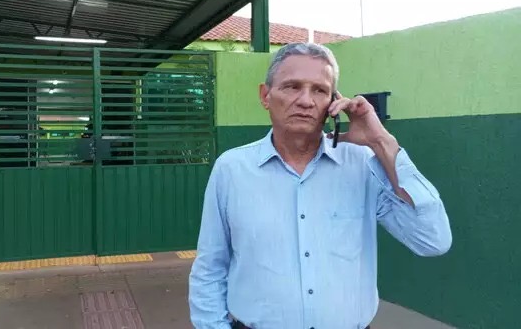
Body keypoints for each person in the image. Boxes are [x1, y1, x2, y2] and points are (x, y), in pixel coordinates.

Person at [188, 42, 452, 329]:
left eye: (319, 90)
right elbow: (210, 268)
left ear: (333, 102)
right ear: (266, 96)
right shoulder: (232, 169)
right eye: (292, 86)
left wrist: (382, 142)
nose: (305, 100)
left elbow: (433, 240)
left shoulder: (362, 165)